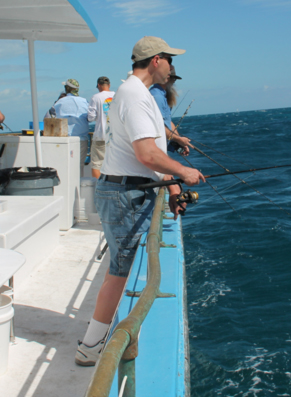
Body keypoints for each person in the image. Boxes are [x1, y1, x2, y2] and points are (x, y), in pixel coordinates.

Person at [75, 36, 205, 366]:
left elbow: (149, 154)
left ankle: (100, 339)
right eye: (170, 61)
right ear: (156, 60)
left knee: (122, 269)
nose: (173, 68)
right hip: (125, 196)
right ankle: (90, 348)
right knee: (119, 271)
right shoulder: (134, 96)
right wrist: (183, 172)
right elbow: (147, 154)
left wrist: (173, 189)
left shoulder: (136, 94)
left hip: (131, 191)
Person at [149, 65, 191, 155]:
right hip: (156, 149)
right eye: (173, 79)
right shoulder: (157, 96)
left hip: (163, 146)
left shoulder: (163, 95)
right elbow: (157, 125)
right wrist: (178, 139)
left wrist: (179, 143)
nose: (173, 83)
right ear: (167, 78)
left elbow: (167, 121)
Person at [51, 78, 90, 176]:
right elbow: (90, 117)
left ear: (66, 88)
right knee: (79, 165)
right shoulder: (84, 102)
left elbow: (51, 117)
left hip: (64, 139)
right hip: (81, 139)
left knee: (64, 165)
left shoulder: (59, 102)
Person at [87, 76, 115, 179]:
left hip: (100, 135)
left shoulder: (95, 97)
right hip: (115, 137)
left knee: (97, 164)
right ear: (109, 85)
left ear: (99, 85)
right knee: (113, 164)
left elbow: (91, 117)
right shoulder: (116, 96)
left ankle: (97, 189)